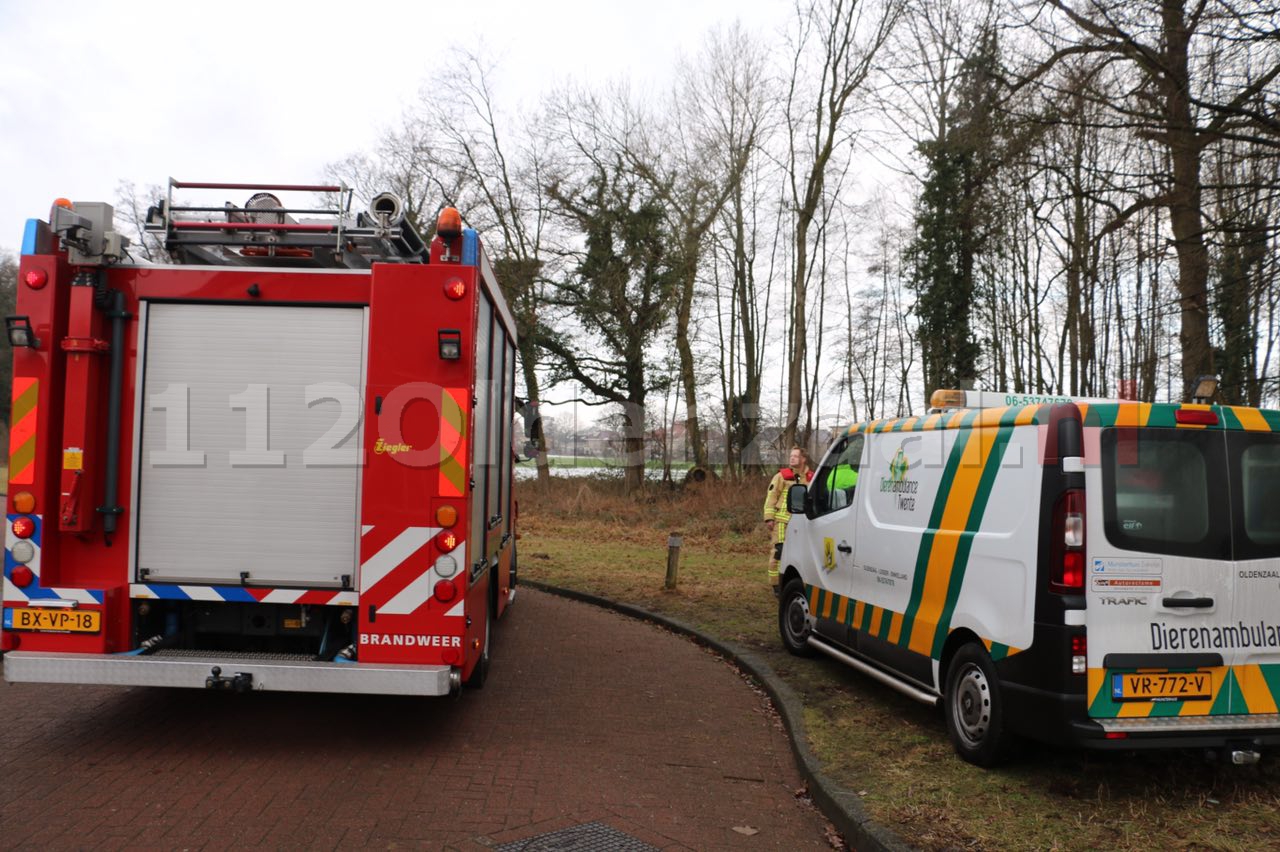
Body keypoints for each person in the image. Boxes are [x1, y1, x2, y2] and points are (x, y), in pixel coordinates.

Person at [762, 447, 813, 595]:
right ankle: (776, 585)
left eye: (795, 456)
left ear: (803, 459)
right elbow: (771, 497)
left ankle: (797, 583)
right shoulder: (782, 476)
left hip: (803, 524)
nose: (791, 459)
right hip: (782, 523)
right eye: (790, 456)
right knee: (779, 553)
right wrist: (769, 518)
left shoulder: (811, 477)